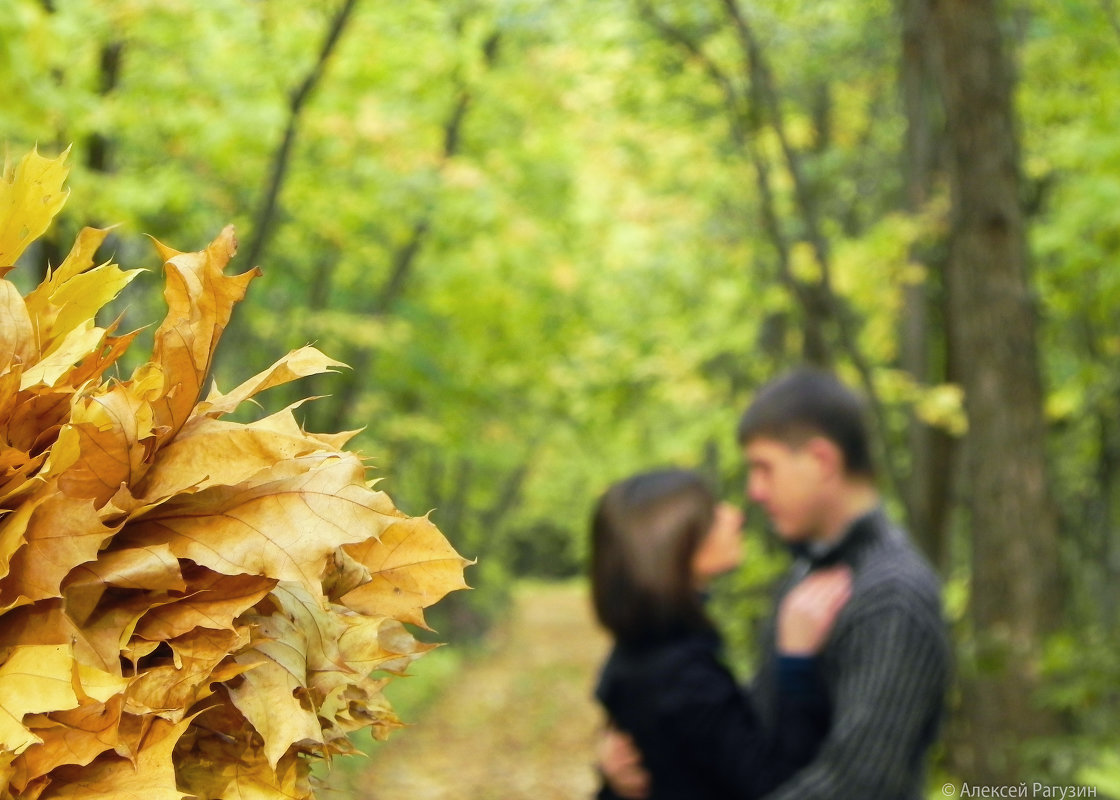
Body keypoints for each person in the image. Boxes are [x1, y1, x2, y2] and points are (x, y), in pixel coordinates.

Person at [599, 367, 952, 800]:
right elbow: (747, 731)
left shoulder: (891, 594)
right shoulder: (809, 569)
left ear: (822, 461)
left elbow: (859, 785)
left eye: (765, 469)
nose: (754, 492)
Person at [590, 467, 852, 800]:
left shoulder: (643, 649)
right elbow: (778, 787)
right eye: (713, 514)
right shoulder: (682, 676)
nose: (735, 515)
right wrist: (796, 663)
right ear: (674, 542)